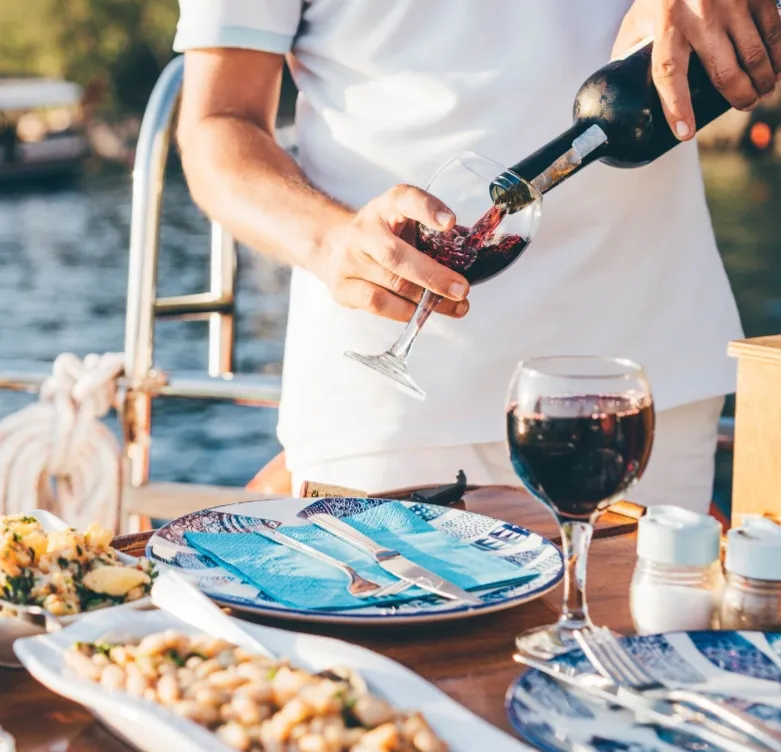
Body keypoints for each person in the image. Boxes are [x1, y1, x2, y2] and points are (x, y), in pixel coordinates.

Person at [173, 0, 781, 513]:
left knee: (637, 647)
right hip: (387, 410)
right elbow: (217, 124)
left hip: (643, 378)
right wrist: (331, 241)